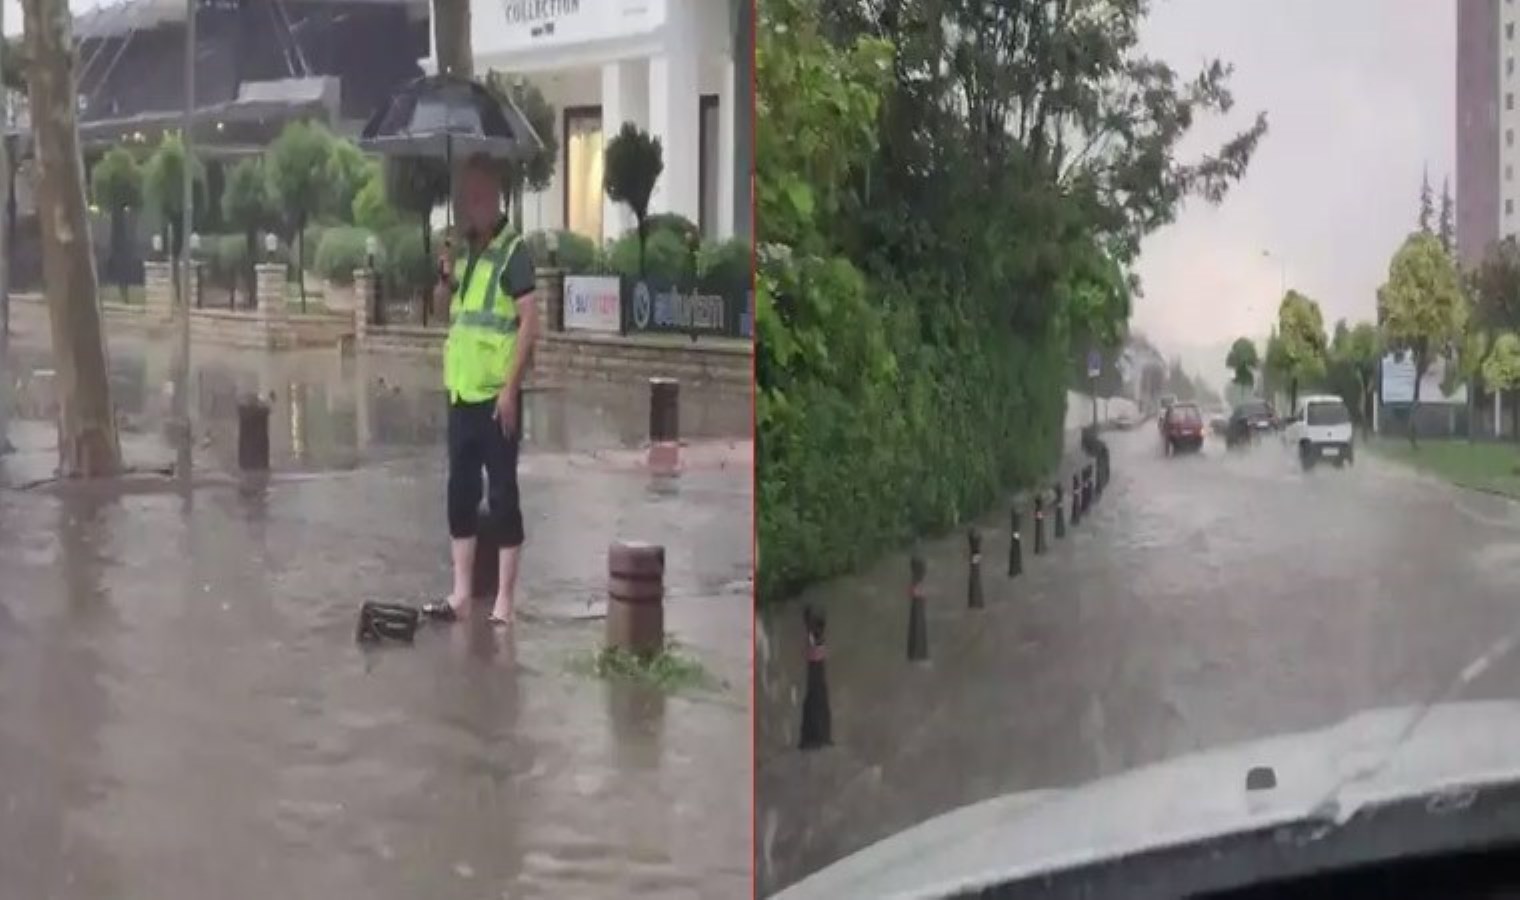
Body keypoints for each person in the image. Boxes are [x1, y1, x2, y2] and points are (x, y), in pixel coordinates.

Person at [421, 153, 539, 626]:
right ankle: (461, 593)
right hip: (461, 394)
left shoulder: (515, 251)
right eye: (465, 197)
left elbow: (530, 322)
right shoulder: (465, 252)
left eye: (477, 196)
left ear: (495, 197)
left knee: (504, 495)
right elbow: (440, 309)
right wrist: (445, 277)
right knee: (460, 493)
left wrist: (511, 388)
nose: (470, 206)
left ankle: (504, 602)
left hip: (496, 396)